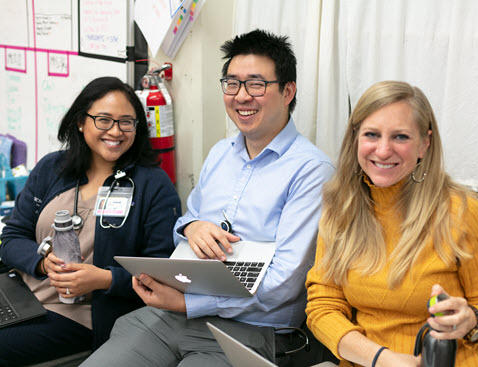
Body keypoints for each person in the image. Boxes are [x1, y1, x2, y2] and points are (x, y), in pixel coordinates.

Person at [81, 29, 334, 367]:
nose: (241, 96)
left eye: (256, 84)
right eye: (232, 83)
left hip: (251, 330)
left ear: (288, 91)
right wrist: (192, 227)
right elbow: (183, 226)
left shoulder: (311, 170)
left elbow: (284, 284)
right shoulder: (220, 153)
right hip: (171, 318)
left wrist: (190, 303)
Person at [305, 80, 478, 367]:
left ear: (425, 144)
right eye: (372, 134)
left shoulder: (464, 213)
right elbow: (323, 307)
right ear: (355, 137)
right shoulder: (341, 208)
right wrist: (380, 358)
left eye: (401, 137)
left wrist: (472, 319)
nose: (383, 151)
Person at [0, 76, 181, 366]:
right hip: (18, 293)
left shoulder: (153, 185)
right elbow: (12, 238)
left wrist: (105, 279)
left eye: (127, 122)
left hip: (81, 315)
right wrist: (41, 262)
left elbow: (163, 272)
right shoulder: (53, 168)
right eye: (103, 120)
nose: (116, 131)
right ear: (80, 121)